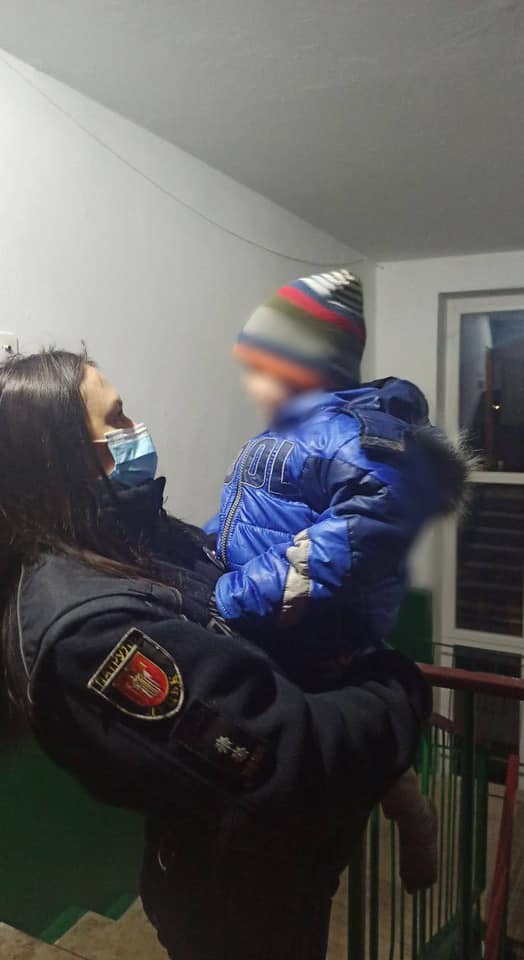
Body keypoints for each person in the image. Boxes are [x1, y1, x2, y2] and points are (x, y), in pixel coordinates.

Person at [0, 349, 431, 960]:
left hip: (282, 863)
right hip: (236, 902)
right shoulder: (89, 631)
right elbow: (293, 755)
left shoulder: (136, 536)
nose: (137, 430)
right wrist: (400, 685)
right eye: (116, 419)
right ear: (62, 455)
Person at [208, 268, 469, 892]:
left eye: (263, 367)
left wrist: (234, 593)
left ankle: (408, 811)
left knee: (321, 752)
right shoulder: (286, 433)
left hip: (313, 633)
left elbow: (364, 528)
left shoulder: (356, 434)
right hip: (270, 625)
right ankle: (395, 798)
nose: (251, 383)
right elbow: (244, 516)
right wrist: (206, 554)